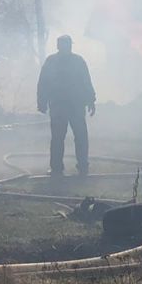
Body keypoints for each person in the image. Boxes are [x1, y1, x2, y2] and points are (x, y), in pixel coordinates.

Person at [37, 34, 96, 177]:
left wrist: (91, 100)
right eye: (64, 45)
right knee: (64, 137)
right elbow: (43, 83)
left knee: (74, 137)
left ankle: (75, 166)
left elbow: (86, 81)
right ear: (60, 46)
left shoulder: (70, 61)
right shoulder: (65, 61)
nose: (65, 47)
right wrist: (42, 101)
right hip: (65, 105)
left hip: (69, 105)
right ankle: (65, 167)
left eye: (67, 45)